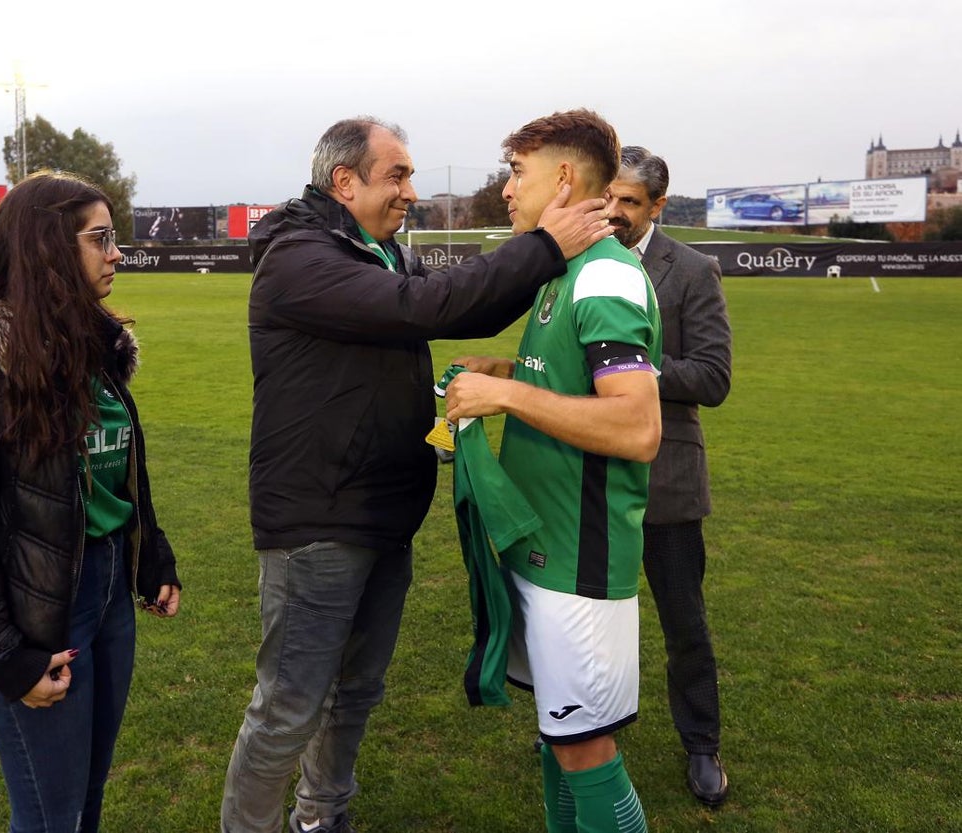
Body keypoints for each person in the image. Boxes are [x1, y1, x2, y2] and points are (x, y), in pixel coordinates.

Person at [222, 115, 615, 833]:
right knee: (288, 708)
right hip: (318, 520)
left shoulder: (377, 250)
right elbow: (421, 306)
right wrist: (542, 246)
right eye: (397, 174)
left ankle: (321, 817)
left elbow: (466, 302)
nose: (411, 190)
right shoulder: (298, 256)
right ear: (345, 181)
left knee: (356, 692)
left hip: (382, 513)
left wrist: (551, 252)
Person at [0, 170, 182, 833]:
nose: (117, 253)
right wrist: (6, 657)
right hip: (38, 610)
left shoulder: (93, 347)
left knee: (88, 795)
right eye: (100, 238)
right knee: (53, 815)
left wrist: (152, 555)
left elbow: (116, 475)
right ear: (46, 246)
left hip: (107, 590)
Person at [444, 109, 662, 833]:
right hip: (545, 548)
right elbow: (573, 383)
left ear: (564, 177)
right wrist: (507, 370)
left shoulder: (606, 276)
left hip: (580, 560)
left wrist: (505, 396)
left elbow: (637, 426)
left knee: (584, 747)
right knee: (560, 737)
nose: (507, 189)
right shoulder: (563, 271)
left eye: (517, 172)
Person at [606, 146, 732, 807]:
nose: (615, 211)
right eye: (609, 197)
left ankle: (702, 743)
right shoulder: (581, 260)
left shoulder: (691, 270)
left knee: (684, 624)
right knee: (593, 619)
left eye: (629, 201)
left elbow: (713, 376)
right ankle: (583, 731)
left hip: (667, 480)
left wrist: (636, 373)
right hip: (589, 477)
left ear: (657, 205)